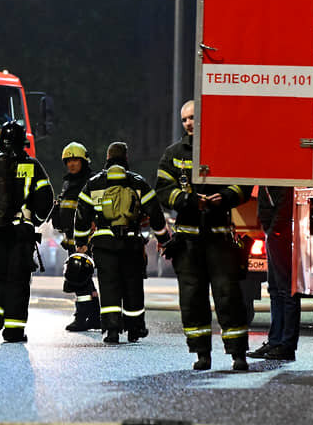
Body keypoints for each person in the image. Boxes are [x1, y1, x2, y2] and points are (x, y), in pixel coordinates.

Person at [155, 100, 253, 370]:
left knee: (228, 296)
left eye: (193, 117)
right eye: (185, 119)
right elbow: (163, 190)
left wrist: (226, 196)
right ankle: (201, 354)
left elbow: (244, 182)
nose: (188, 123)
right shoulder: (173, 154)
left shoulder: (225, 150)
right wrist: (188, 201)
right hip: (187, 242)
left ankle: (238, 354)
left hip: (219, 239)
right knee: (192, 298)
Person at [74, 141, 172, 344]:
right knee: (133, 285)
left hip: (103, 245)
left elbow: (82, 215)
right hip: (131, 244)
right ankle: (135, 328)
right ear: (126, 158)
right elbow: (155, 214)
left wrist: (81, 242)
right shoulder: (138, 183)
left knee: (108, 286)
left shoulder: (94, 184)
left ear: (107, 158)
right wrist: (164, 240)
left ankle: (111, 330)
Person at [0, 121, 53, 342]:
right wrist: (32, 219)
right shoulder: (33, 167)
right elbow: (46, 199)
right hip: (20, 234)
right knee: (18, 279)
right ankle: (14, 330)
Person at [50, 141, 100, 332]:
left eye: (75, 160)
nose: (71, 164)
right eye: (68, 161)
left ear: (84, 161)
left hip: (86, 240)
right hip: (72, 238)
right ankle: (95, 317)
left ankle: (81, 317)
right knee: (84, 278)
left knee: (79, 277)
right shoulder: (68, 182)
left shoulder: (92, 181)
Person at [247, 186, 300, 360]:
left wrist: (273, 229)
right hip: (275, 231)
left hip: (279, 232)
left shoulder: (280, 176)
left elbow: (284, 203)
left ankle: (285, 344)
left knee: (284, 290)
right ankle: (277, 341)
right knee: (276, 290)